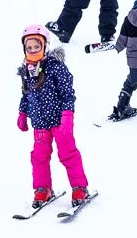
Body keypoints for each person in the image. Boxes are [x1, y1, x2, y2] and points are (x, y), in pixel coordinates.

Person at [17, 24, 88, 208]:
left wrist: (68, 114)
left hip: (59, 121)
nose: (33, 51)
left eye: (36, 46)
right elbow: (25, 94)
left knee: (68, 154)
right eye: (29, 47)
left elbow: (67, 93)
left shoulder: (56, 67)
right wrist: (23, 113)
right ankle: (43, 188)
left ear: (45, 45)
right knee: (39, 156)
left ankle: (79, 187)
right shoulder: (26, 70)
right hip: (40, 123)